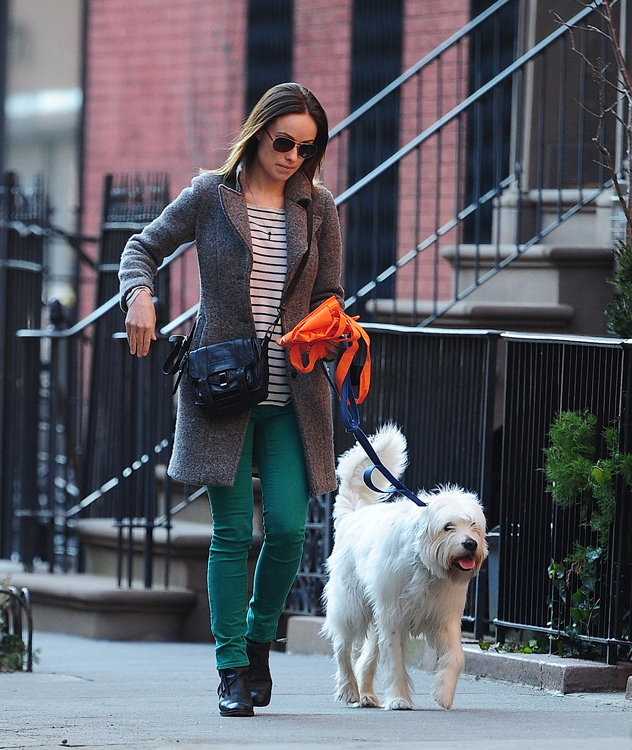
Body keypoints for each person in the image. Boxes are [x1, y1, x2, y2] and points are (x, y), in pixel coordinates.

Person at [119, 83, 344, 717]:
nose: (293, 154)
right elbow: (142, 248)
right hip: (222, 388)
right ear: (259, 131)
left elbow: (330, 290)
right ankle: (230, 669)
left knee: (292, 526)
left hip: (291, 392)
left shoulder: (317, 207)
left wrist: (331, 327)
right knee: (231, 531)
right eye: (283, 141)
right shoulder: (210, 195)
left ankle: (258, 638)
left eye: (307, 146)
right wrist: (139, 295)